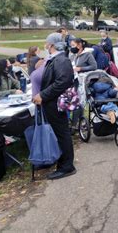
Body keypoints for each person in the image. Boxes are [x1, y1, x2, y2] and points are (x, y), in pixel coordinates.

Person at [32, 33, 76, 180]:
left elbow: (62, 81)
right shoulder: (54, 59)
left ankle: (67, 166)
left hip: (55, 103)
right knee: (60, 133)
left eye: (46, 43)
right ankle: (63, 162)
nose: (45, 45)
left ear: (51, 45)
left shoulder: (61, 60)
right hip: (51, 102)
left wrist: (42, 95)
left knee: (62, 133)